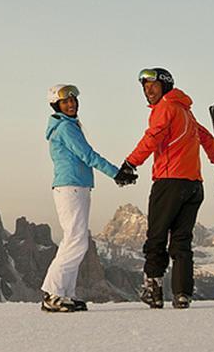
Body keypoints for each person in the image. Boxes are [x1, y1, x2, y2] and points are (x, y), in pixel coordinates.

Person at [117, 68, 214, 310]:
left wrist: (130, 163)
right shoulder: (185, 110)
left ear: (165, 85)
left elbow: (153, 136)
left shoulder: (165, 107)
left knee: (156, 236)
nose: (148, 90)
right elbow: (206, 137)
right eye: (145, 87)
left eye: (152, 85)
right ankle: (182, 294)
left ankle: (153, 290)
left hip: (169, 182)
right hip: (194, 186)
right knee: (181, 240)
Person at [41, 83, 137, 313]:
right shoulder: (65, 128)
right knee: (76, 240)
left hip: (75, 186)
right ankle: (53, 294)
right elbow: (87, 155)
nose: (71, 104)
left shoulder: (67, 126)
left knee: (73, 239)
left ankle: (65, 294)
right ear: (56, 105)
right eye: (65, 101)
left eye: (73, 100)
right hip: (71, 186)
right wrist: (117, 173)